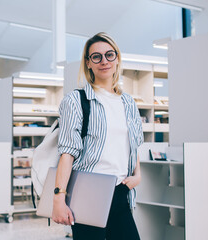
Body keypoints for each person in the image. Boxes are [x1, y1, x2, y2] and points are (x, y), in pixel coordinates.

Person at [52, 32, 143, 240]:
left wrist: (138, 175)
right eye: (96, 57)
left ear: (117, 58)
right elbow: (67, 152)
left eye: (109, 55)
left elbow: (134, 144)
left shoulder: (128, 103)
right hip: (87, 192)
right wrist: (58, 198)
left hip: (121, 192)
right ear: (88, 63)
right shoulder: (76, 101)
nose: (104, 61)